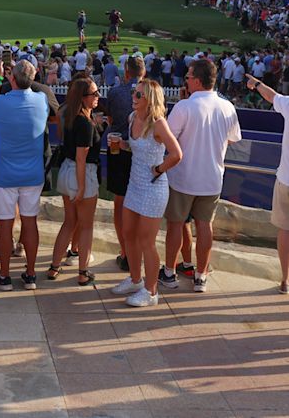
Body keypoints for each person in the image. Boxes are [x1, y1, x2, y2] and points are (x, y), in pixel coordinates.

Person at [159, 59, 241, 293]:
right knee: (205, 226)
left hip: (183, 178)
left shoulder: (185, 107)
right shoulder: (227, 107)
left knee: (175, 224)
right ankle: (200, 275)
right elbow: (234, 138)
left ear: (196, 80)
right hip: (212, 178)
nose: (186, 79)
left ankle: (169, 272)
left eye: (188, 76)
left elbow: (167, 138)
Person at [110, 80, 182, 307]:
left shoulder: (158, 124)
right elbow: (136, 147)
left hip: (153, 187)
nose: (134, 97)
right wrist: (122, 144)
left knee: (146, 241)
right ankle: (134, 279)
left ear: (150, 99)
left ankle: (151, 292)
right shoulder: (133, 118)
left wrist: (159, 169)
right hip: (135, 184)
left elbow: (177, 154)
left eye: (139, 95)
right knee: (128, 233)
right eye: (134, 93)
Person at [0, 59, 49, 291]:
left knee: (5, 225)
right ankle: (30, 274)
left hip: (5, 175)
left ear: (12, 78)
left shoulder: (1, 103)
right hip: (32, 174)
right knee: (30, 222)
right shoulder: (41, 101)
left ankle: (4, 275)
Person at [48, 77, 102, 285]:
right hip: (82, 173)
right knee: (86, 226)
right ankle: (83, 271)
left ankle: (54, 267)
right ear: (83, 98)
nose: (97, 97)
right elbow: (82, 159)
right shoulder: (84, 124)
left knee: (69, 222)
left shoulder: (70, 117)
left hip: (66, 170)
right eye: (94, 94)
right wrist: (81, 187)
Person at [243, 74, 289, 293]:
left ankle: (285, 279)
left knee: (285, 230)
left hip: (286, 180)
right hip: (284, 179)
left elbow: (272, 96)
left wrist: (257, 84)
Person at [105, 56, 145, 271]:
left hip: (119, 150)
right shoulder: (150, 93)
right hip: (141, 153)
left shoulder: (115, 92)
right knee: (137, 202)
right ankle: (134, 250)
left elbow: (110, 121)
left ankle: (125, 251)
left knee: (120, 202)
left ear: (127, 72)